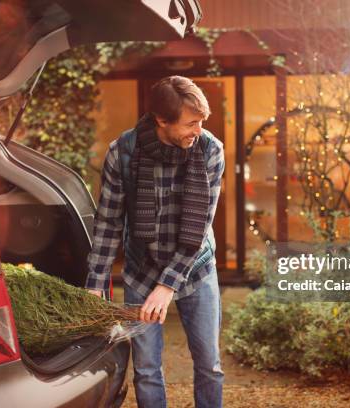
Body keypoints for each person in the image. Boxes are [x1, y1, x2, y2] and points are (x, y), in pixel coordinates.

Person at [85, 76, 225, 408]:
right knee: (147, 370)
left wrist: (167, 286)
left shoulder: (210, 150)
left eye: (202, 121)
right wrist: (95, 284)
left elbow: (199, 228)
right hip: (141, 272)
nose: (199, 130)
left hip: (197, 271)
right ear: (162, 120)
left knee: (210, 366)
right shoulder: (124, 152)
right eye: (192, 123)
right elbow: (109, 222)